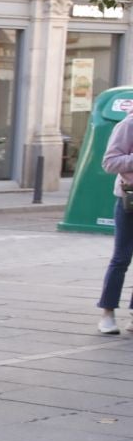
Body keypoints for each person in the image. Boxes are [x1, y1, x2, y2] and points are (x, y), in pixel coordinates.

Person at [93, 111, 133, 334]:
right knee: (121, 258)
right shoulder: (129, 124)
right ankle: (107, 313)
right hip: (130, 200)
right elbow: (109, 162)